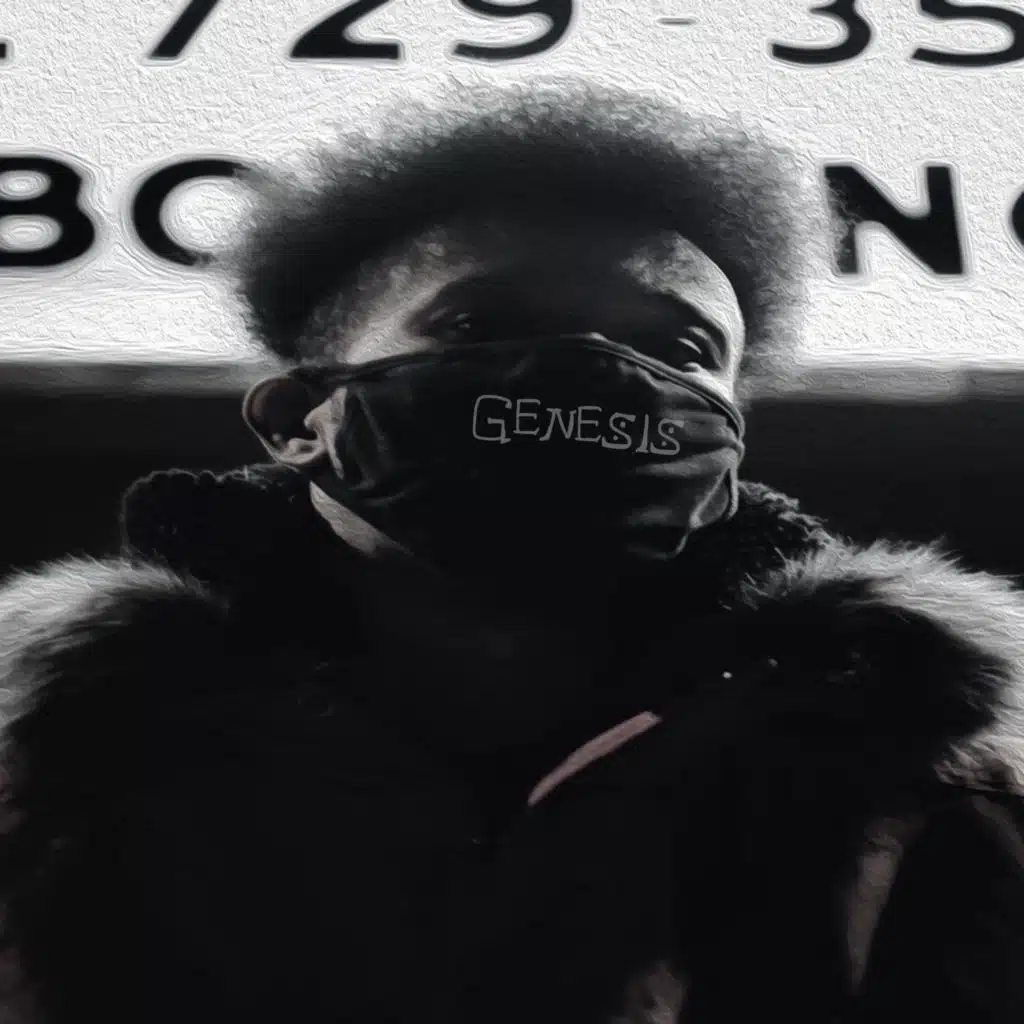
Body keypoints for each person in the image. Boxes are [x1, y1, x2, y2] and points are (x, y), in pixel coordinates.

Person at [0, 79, 1021, 1024]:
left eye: (679, 348)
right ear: (300, 418)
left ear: (732, 444)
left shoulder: (931, 785)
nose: (598, 369)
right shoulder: (51, 770)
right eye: (486, 322)